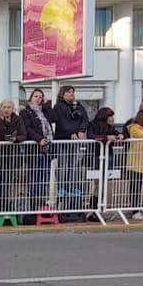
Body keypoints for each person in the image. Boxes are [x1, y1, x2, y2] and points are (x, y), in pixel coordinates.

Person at [50, 85, 90, 218]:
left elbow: (85, 118)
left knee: (73, 168)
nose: (72, 94)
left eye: (73, 91)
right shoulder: (58, 107)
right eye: (69, 92)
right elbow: (61, 122)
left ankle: (73, 195)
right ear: (62, 94)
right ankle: (62, 194)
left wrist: (81, 130)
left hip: (75, 142)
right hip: (63, 140)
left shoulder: (78, 105)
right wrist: (71, 132)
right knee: (63, 168)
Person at [20, 88, 53, 218]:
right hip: (34, 149)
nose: (38, 99)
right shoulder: (25, 112)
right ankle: (34, 204)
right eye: (36, 96)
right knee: (35, 176)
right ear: (30, 98)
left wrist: (46, 105)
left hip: (46, 149)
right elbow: (27, 129)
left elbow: (54, 117)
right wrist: (39, 139)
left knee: (44, 177)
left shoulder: (44, 111)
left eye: (41, 97)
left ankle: (42, 202)